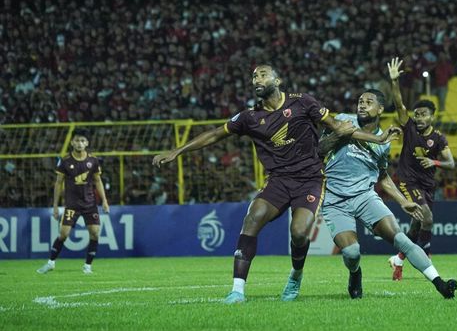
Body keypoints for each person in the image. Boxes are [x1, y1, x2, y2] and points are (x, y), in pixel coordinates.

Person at [153, 64, 398, 304]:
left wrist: (377, 138)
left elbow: (340, 128)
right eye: (253, 76)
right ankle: (237, 291)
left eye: (262, 75)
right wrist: (177, 151)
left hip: (310, 180)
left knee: (299, 232)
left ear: (277, 81)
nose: (256, 79)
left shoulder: (302, 102)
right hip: (278, 181)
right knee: (253, 216)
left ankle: (296, 275)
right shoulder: (250, 116)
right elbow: (216, 133)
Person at [319, 89, 457, 299]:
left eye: (369, 102)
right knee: (351, 253)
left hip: (365, 197)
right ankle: (355, 273)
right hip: (335, 200)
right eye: (360, 101)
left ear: (380, 109)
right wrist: (364, 137)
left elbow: (382, 175)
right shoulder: (343, 120)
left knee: (403, 240)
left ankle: (440, 284)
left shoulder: (384, 142)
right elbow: (320, 148)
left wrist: (403, 201)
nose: (362, 105)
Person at [386, 57, 455, 281]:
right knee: (427, 216)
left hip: (427, 184)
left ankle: (398, 259)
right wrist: (395, 82)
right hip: (408, 180)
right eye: (417, 114)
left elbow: (451, 163)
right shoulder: (410, 128)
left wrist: (434, 162)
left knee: (417, 223)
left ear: (432, 116)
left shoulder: (439, 138)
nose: (419, 117)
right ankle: (425, 252)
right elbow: (399, 105)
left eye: (424, 114)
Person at [37, 128, 110, 275]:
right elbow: (58, 183)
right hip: (72, 205)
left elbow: (98, 180)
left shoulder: (93, 160)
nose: (79, 143)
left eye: (82, 140)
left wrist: (104, 201)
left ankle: (87, 266)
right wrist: (55, 206)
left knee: (95, 234)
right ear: (72, 142)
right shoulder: (64, 161)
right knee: (63, 234)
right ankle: (51, 263)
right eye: (77, 140)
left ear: (87, 143)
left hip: (90, 204)